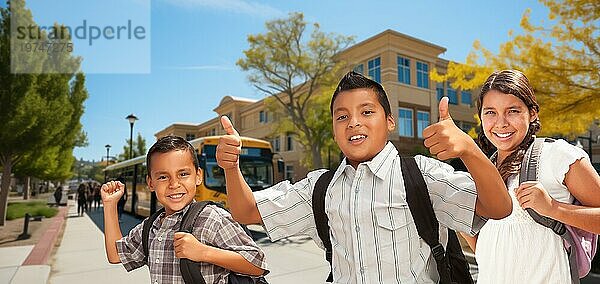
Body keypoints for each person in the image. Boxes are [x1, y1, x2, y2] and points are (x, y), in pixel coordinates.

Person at [216, 71, 512, 283]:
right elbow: (245, 211)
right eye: (342, 116)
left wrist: (470, 151)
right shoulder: (319, 188)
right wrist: (231, 167)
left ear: (390, 121)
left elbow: (499, 208)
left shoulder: (421, 174)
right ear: (334, 129)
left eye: (367, 111)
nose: (353, 122)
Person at [458, 70, 600, 283]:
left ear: (532, 113)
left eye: (512, 111)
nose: (501, 123)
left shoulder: (558, 156)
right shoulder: (481, 174)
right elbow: (488, 249)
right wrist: (463, 221)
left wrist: (553, 208)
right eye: (490, 112)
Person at [101, 135, 268, 284]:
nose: (174, 184)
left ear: (198, 176)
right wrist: (109, 205)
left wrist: (204, 252)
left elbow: (257, 264)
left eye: (183, 174)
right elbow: (116, 255)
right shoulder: (150, 227)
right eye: (163, 177)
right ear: (151, 183)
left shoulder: (212, 217)